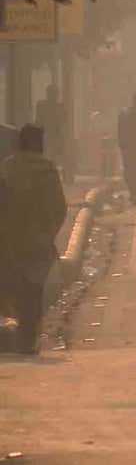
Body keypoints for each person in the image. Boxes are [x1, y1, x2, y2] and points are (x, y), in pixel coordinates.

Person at [1, 126, 68, 356]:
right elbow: (60, 209)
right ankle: (27, 340)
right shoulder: (47, 169)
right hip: (39, 242)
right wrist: (48, 234)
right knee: (33, 290)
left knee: (13, 288)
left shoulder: (6, 168)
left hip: (9, 240)